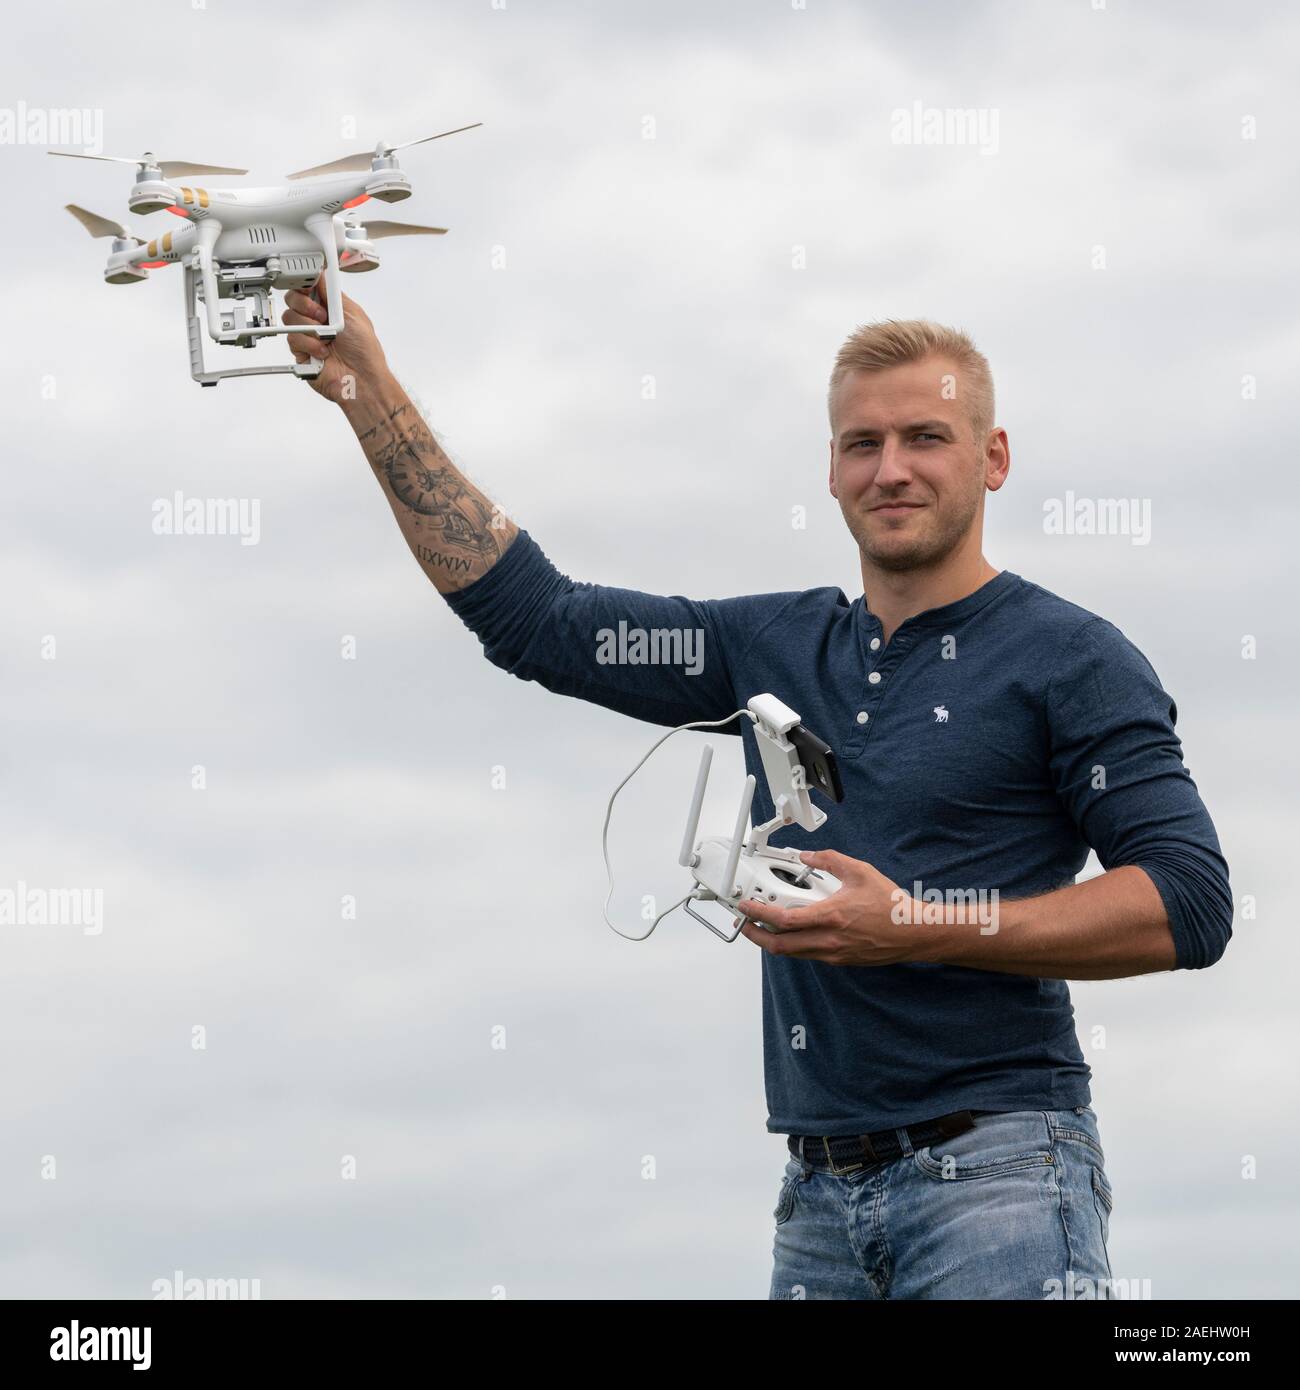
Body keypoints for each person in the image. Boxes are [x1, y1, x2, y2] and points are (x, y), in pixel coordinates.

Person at [284, 282, 1233, 1300]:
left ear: (992, 458)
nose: (892, 468)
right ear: (830, 470)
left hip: (998, 1172)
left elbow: (1188, 902)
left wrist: (910, 921)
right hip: (818, 1195)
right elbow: (539, 623)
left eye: (926, 437)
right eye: (861, 444)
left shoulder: (1071, 656)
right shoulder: (770, 645)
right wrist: (362, 386)